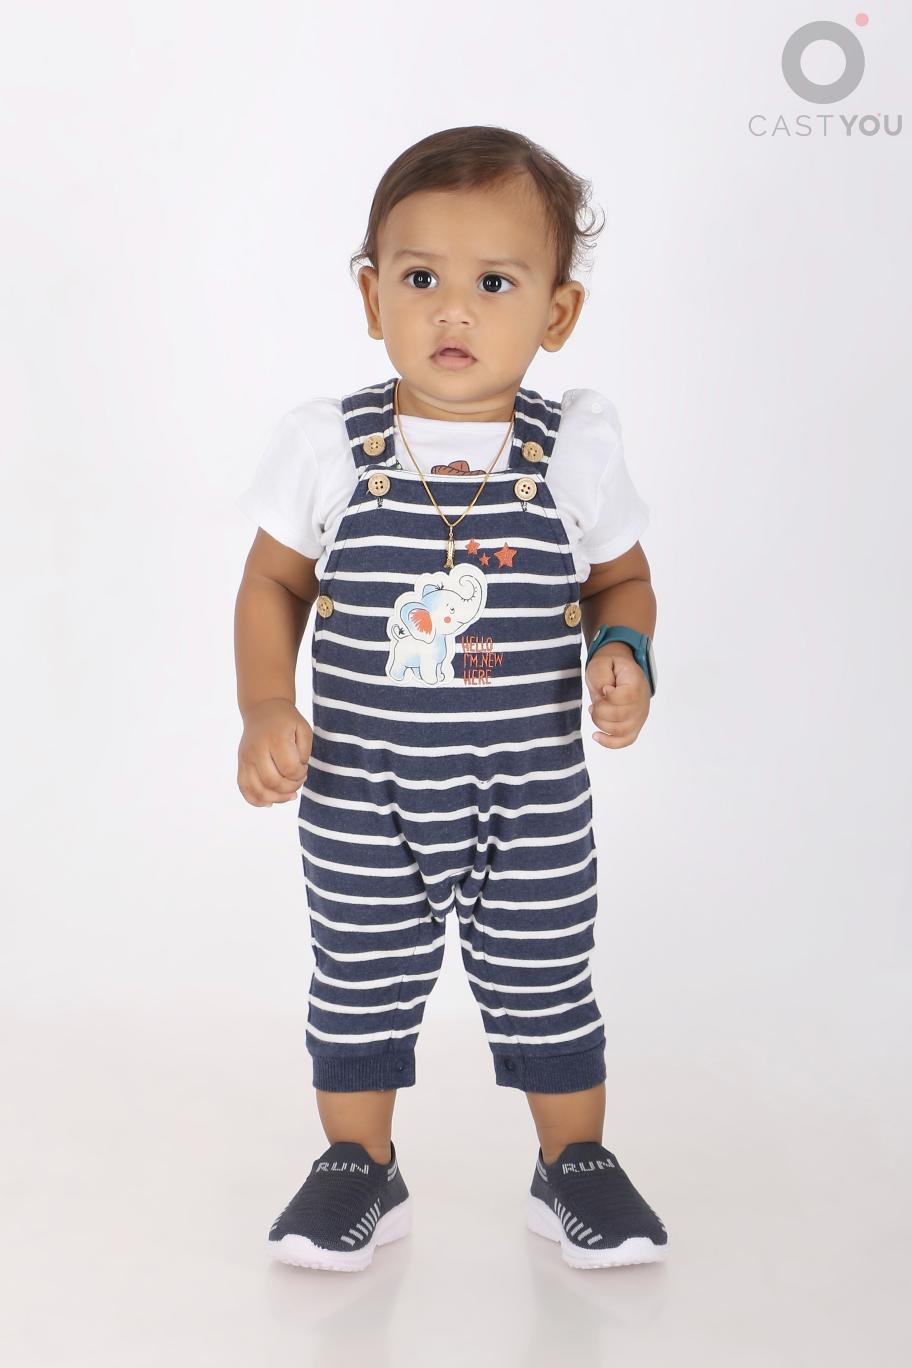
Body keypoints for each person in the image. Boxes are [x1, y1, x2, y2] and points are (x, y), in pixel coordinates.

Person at [234, 125, 667, 1273]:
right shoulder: (332, 446)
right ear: (371, 295)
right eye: (422, 279)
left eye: (496, 284)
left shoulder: (570, 453)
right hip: (362, 792)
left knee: (548, 974)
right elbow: (273, 583)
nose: (455, 311)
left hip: (531, 791)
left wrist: (623, 651)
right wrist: (265, 705)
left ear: (558, 314)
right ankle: (358, 1166)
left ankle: (573, 1163)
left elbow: (621, 580)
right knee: (358, 975)